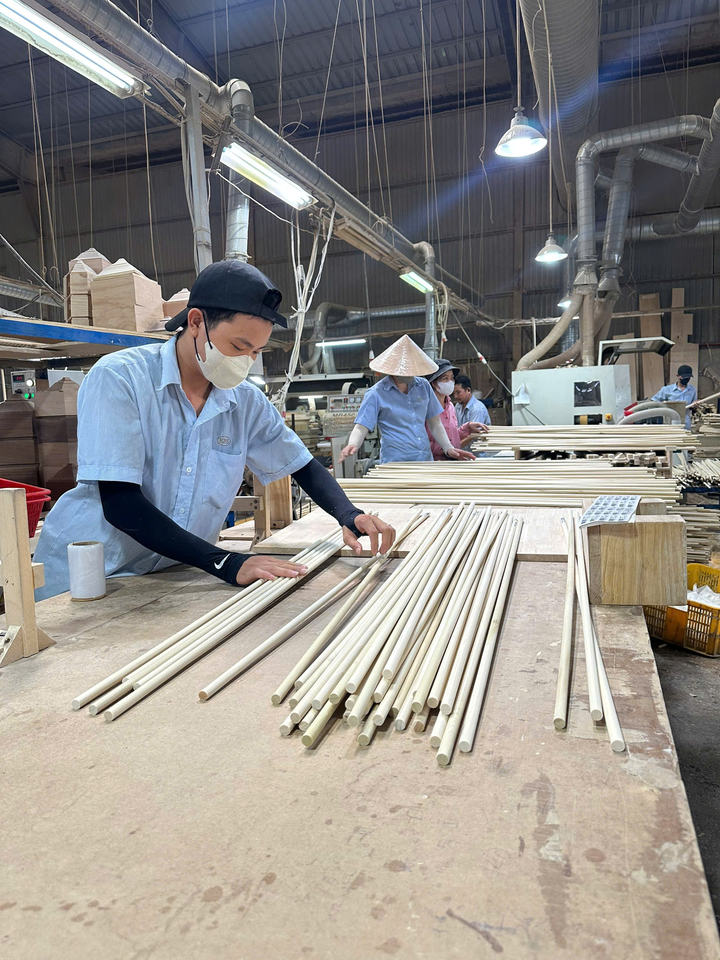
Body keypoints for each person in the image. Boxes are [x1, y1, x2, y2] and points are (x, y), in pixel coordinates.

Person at [34, 260, 394, 600]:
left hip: (170, 575)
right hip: (93, 579)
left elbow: (301, 465)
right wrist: (225, 562)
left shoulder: (245, 402)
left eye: (256, 351)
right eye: (238, 346)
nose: (245, 361)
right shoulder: (121, 378)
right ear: (195, 322)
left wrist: (349, 514)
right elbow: (121, 504)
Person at [340, 335, 475, 463]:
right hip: (396, 462)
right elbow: (361, 427)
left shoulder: (423, 386)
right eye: (404, 370)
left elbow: (435, 423)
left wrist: (448, 447)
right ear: (392, 369)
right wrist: (353, 444)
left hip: (424, 460)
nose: (409, 373)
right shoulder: (376, 394)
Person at [425, 360, 487, 460]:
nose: (450, 382)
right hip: (435, 463)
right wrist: (446, 450)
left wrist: (467, 428)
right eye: (445, 378)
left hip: (453, 461)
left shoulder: (450, 406)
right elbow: (422, 440)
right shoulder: (425, 408)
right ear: (434, 383)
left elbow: (451, 436)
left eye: (452, 378)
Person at [651, 364, 697, 429]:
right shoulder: (666, 390)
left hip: (686, 424)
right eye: (684, 377)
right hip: (671, 424)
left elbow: (693, 408)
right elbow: (653, 402)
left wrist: (695, 406)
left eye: (688, 377)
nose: (686, 379)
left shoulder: (692, 390)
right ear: (678, 376)